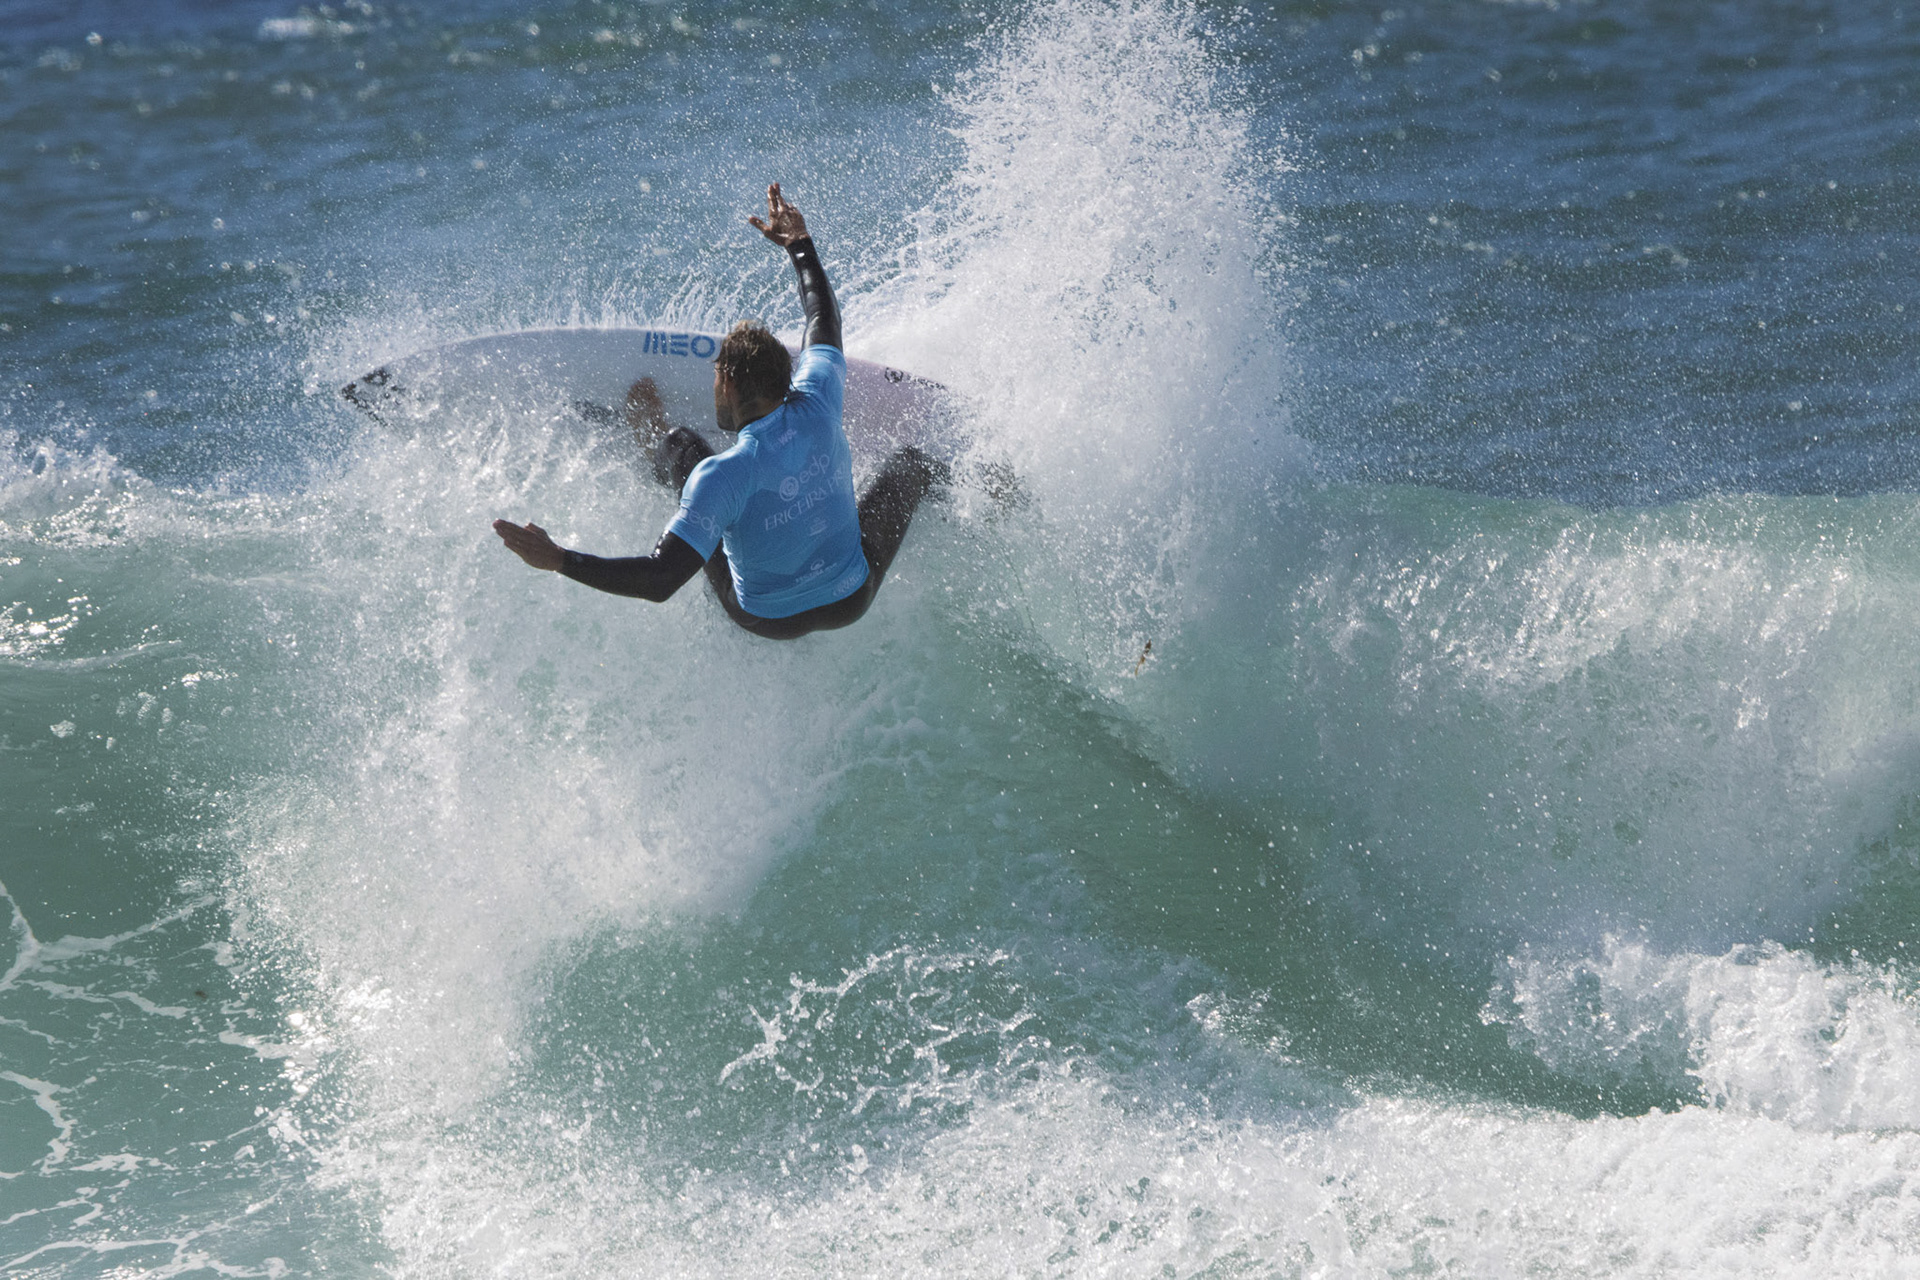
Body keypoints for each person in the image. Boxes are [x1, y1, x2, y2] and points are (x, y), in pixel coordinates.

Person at [493, 183, 941, 640]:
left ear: (726, 383)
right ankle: (977, 491)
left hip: (766, 620)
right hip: (852, 598)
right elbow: (822, 318)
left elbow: (660, 579)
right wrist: (799, 244)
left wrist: (560, 560)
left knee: (682, 445)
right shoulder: (821, 396)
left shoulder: (721, 478)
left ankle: (650, 437)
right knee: (911, 465)